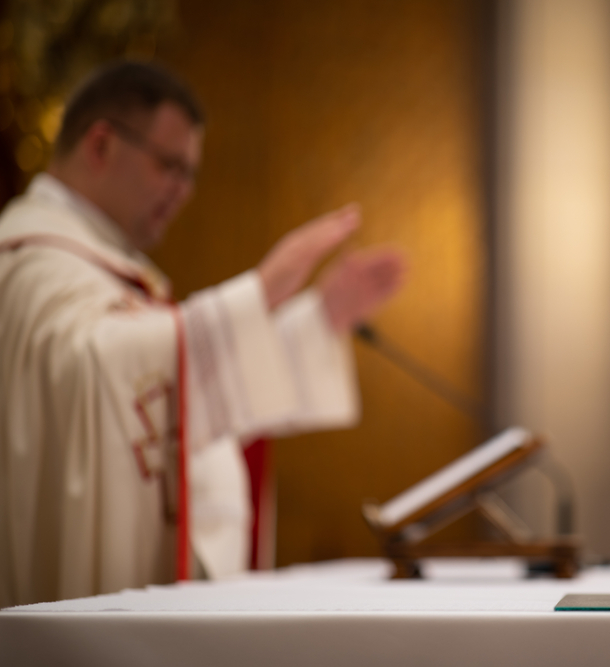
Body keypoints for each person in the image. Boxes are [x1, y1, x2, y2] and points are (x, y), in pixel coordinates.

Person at [0, 61, 405, 606]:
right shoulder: (31, 263)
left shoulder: (104, 268)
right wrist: (257, 294)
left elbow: (177, 381)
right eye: (171, 166)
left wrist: (317, 319)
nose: (183, 191)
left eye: (191, 174)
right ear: (101, 144)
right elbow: (91, 372)